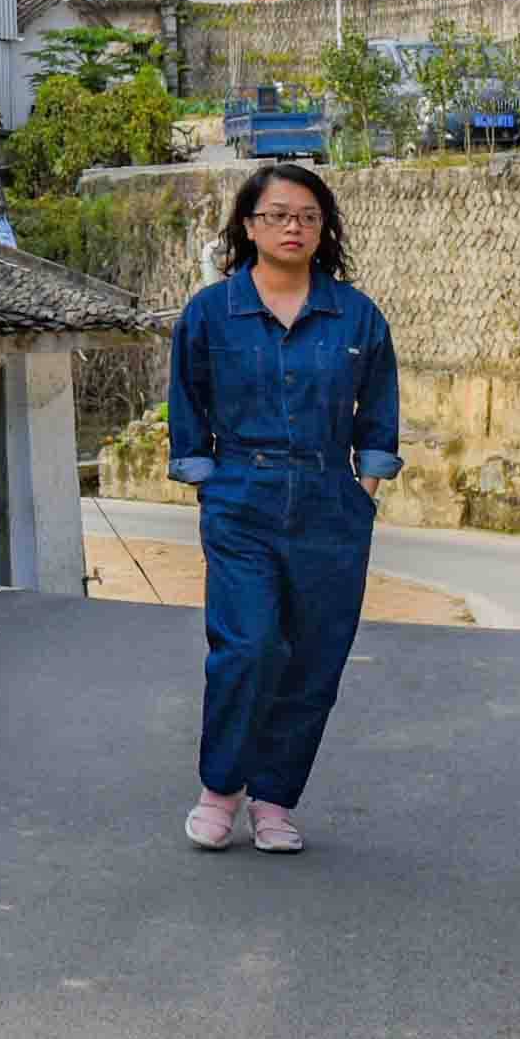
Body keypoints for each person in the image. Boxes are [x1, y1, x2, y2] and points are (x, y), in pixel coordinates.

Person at [163, 161, 400, 855]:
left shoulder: (355, 314)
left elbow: (379, 407)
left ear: (323, 228)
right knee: (249, 644)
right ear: (249, 224)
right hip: (243, 496)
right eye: (277, 214)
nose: (292, 226)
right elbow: (188, 398)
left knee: (316, 658)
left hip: (332, 501)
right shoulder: (211, 312)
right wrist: (210, 478)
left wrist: (367, 483)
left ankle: (274, 799)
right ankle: (220, 787)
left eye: (307, 216)